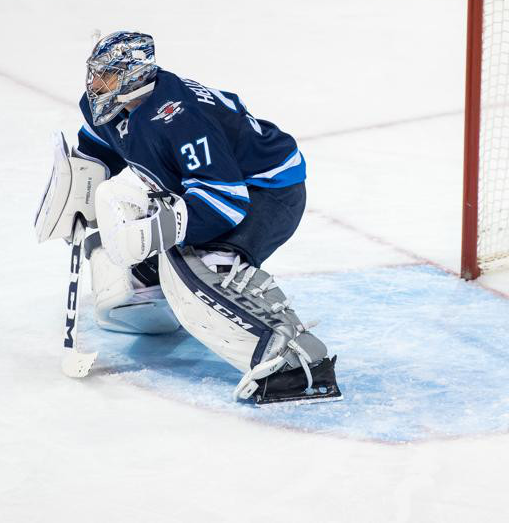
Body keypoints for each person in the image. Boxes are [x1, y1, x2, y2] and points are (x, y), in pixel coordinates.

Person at [35, 31, 340, 404]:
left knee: (204, 264)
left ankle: (296, 364)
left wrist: (156, 233)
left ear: (133, 75)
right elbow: (98, 149)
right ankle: (151, 285)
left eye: (107, 75)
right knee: (117, 214)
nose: (96, 84)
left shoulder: (178, 117)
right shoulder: (115, 105)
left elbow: (225, 201)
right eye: (95, 73)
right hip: (219, 186)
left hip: (269, 191)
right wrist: (80, 188)